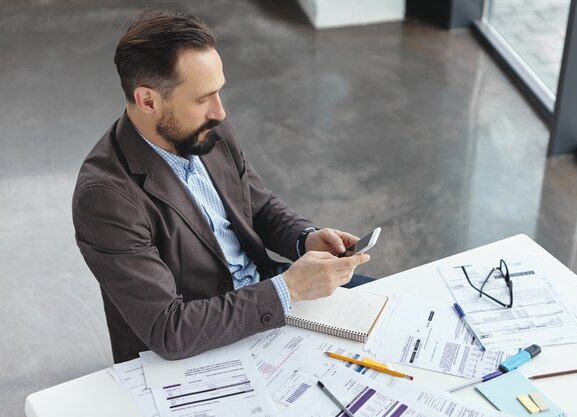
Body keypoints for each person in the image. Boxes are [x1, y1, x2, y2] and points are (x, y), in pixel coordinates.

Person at [72, 10, 370, 364]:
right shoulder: (105, 198)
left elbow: (256, 206)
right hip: (201, 345)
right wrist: (289, 289)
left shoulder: (208, 128)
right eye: (203, 98)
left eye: (218, 92)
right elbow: (169, 330)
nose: (221, 112)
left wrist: (304, 238)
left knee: (397, 310)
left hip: (268, 293)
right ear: (148, 100)